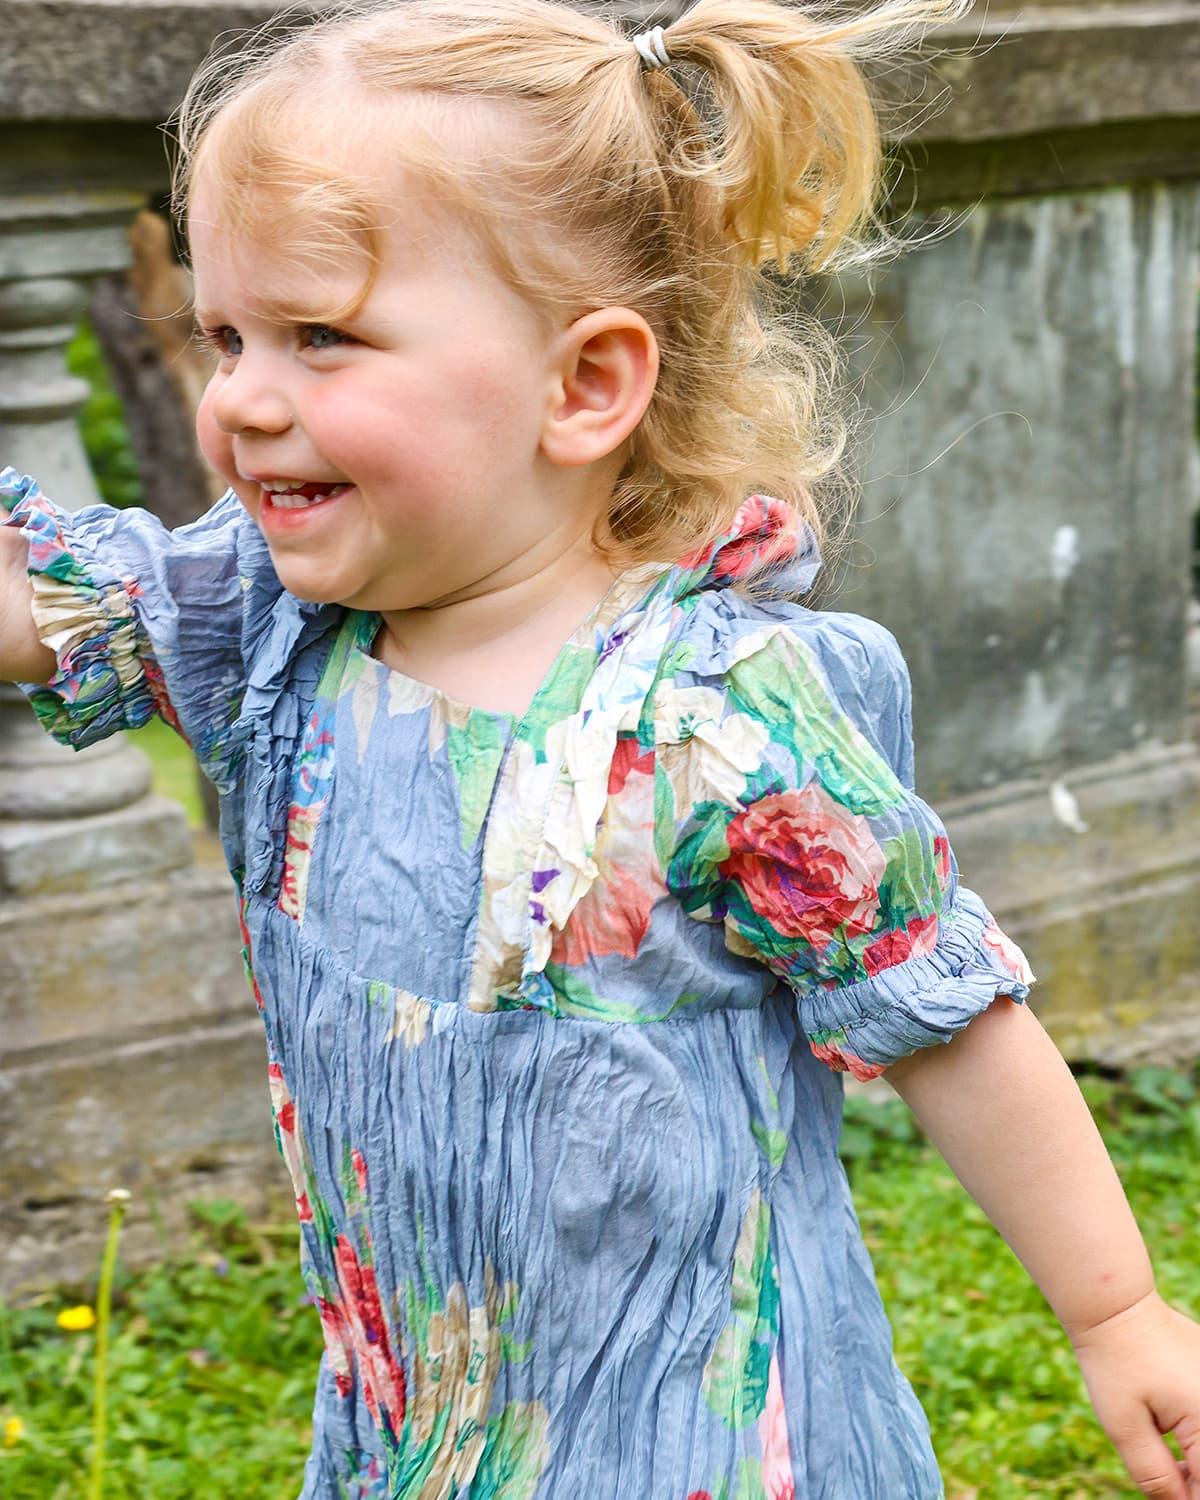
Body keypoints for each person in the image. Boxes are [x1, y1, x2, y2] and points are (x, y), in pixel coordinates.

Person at [2, 0, 1198, 1494]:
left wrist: (1117, 1308)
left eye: (322, 338)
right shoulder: (260, 622)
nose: (240, 397)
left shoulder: (718, 718)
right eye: (226, 333)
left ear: (584, 386)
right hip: (418, 1415)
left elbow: (949, 1016)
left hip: (699, 1422)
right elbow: (36, 602)